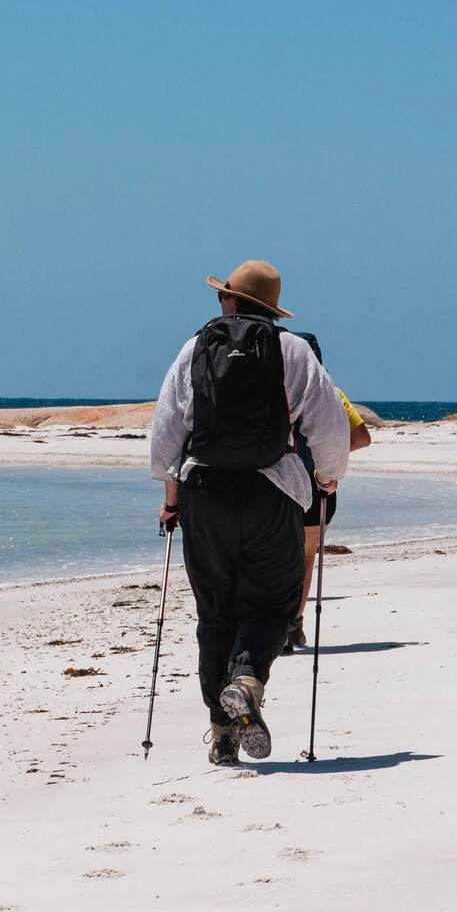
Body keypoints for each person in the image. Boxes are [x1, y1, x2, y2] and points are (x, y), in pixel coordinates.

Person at [150, 260, 352, 764]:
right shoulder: (294, 350)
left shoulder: (195, 347)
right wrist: (326, 479)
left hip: (205, 492)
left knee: (215, 614)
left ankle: (221, 733)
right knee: (271, 606)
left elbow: (165, 437)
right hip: (273, 492)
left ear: (230, 301)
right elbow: (329, 430)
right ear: (272, 310)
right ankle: (246, 679)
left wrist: (171, 499)